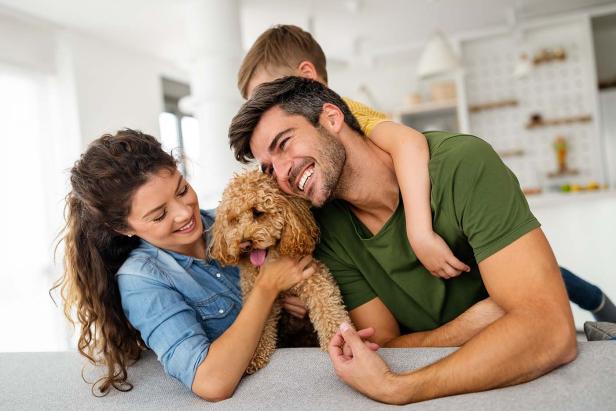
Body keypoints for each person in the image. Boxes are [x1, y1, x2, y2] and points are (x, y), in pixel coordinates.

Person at [228, 76, 578, 404]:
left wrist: (399, 388)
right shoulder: (327, 231)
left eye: (284, 144)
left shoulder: (461, 165)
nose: (282, 174)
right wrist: (472, 326)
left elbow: (550, 331)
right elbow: (385, 345)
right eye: (269, 167)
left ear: (332, 118)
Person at [238, 24, 616, 323]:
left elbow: (409, 144)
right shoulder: (307, 164)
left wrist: (418, 231)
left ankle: (595, 299)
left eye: (268, 94)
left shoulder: (347, 115)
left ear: (310, 78)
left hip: (440, 223)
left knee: (532, 275)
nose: (264, 108)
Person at [53, 129, 321, 401]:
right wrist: (267, 290)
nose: (183, 213)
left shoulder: (233, 218)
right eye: (159, 216)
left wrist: (289, 295)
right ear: (123, 228)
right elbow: (211, 382)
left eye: (182, 190)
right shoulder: (141, 281)